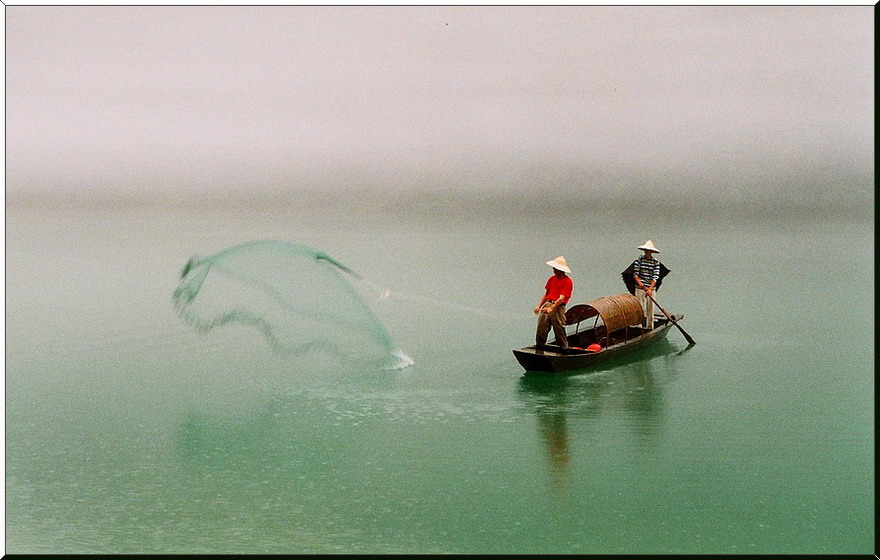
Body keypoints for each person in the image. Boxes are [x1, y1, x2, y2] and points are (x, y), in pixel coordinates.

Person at [621, 240, 670, 329]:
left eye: (649, 251)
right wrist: (641, 284)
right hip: (640, 288)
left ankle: (649, 327)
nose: (647, 252)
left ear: (651, 252)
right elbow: (635, 274)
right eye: (646, 251)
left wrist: (649, 289)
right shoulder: (638, 260)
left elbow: (655, 277)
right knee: (640, 308)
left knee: (650, 309)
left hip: (651, 289)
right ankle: (639, 327)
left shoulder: (656, 262)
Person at [534, 256, 573, 349]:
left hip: (558, 308)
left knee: (559, 328)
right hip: (548, 304)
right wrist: (539, 306)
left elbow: (561, 298)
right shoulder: (552, 279)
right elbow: (546, 294)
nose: (553, 270)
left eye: (555, 268)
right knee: (541, 328)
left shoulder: (568, 281)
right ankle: (539, 348)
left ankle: (564, 349)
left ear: (560, 269)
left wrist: (551, 308)